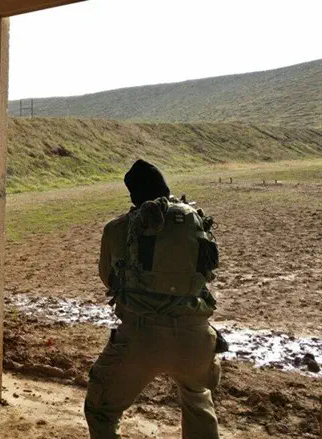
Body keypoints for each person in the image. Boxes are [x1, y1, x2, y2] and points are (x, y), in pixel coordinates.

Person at [84, 159, 222, 439]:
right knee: (197, 401)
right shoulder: (195, 219)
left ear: (133, 196)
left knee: (101, 411)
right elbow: (207, 272)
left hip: (139, 336)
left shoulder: (117, 228)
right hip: (195, 338)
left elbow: (108, 278)